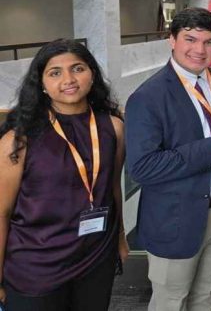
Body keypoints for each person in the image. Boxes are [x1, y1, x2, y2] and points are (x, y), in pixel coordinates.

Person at [125, 7, 211, 311]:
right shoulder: (148, 97)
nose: (199, 50)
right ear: (171, 40)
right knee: (171, 302)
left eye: (208, 42)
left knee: (204, 297)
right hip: (176, 218)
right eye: (190, 39)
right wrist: (208, 150)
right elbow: (142, 167)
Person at [0, 39, 128, 311]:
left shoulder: (113, 127)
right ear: (42, 84)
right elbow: (1, 213)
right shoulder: (18, 140)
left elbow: (112, 188)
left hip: (95, 258)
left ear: (92, 74)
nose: (68, 79)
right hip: (36, 267)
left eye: (77, 68)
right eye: (55, 72)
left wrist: (120, 238)